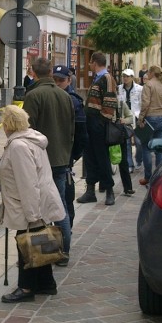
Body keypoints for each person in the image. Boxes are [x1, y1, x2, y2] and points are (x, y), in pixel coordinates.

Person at [0, 105, 66, 303]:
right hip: (38, 199)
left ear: (8, 124)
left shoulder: (19, 146)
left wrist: (32, 215)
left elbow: (27, 183)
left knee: (26, 243)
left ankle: (26, 288)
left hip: (28, 203)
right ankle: (46, 283)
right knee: (39, 240)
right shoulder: (31, 138)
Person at [23, 59, 75, 266]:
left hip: (41, 160)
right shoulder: (65, 95)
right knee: (58, 205)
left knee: (40, 208)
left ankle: (46, 252)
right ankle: (63, 250)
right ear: (51, 72)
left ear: (33, 73)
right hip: (61, 158)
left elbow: (27, 131)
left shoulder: (33, 95)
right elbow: (72, 129)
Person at [76, 51, 119, 206]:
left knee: (102, 158)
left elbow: (110, 102)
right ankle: (90, 191)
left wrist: (101, 122)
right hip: (90, 124)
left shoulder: (107, 78)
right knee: (90, 158)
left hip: (98, 125)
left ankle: (109, 191)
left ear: (94, 62)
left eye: (90, 62)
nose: (89, 64)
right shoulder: (98, 78)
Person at [52, 65, 87, 228]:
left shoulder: (73, 100)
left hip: (65, 157)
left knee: (65, 198)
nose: (58, 83)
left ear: (69, 80)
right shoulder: (50, 96)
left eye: (61, 80)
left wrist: (73, 155)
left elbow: (81, 133)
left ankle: (66, 234)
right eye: (55, 80)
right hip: (51, 155)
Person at [138, 65, 162, 186]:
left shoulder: (149, 85)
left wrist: (141, 118)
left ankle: (148, 177)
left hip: (150, 117)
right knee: (159, 149)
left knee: (146, 148)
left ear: (151, 73)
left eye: (148, 72)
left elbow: (145, 103)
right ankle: (159, 177)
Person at [118, 68, 143, 173]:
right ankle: (129, 164)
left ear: (132, 77)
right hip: (125, 119)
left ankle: (138, 159)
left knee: (139, 143)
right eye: (123, 76)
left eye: (127, 76)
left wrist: (142, 117)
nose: (125, 78)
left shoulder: (139, 89)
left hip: (136, 118)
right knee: (126, 143)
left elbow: (142, 104)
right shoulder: (119, 88)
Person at [111, 97, 135, 195]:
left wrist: (123, 120)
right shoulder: (102, 103)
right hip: (107, 135)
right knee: (105, 161)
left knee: (123, 161)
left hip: (119, 135)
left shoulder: (121, 103)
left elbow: (130, 117)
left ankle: (128, 187)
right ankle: (104, 186)